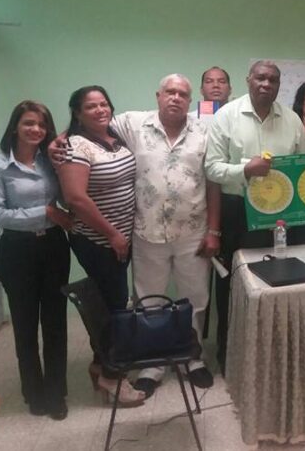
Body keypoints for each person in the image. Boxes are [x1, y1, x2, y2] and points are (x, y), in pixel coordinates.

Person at [102, 75, 220, 398]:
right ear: (158, 95)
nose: (176, 98)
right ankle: (153, 364)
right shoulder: (133, 124)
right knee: (149, 299)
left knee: (194, 298)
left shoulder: (204, 130)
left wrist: (213, 230)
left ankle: (192, 358)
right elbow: (92, 125)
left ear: (189, 98)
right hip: (147, 232)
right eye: (170, 92)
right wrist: (62, 140)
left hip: (192, 232)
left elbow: (213, 183)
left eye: (183, 93)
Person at [205, 60, 305, 372]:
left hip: (280, 213)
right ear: (248, 79)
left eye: (273, 80)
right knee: (233, 283)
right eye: (260, 78)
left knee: (278, 279)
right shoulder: (226, 116)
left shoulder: (292, 120)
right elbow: (211, 168)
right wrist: (243, 170)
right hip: (236, 209)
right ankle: (229, 353)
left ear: (279, 85)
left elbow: (302, 166)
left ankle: (271, 353)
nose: (266, 84)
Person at [0, 101, 73, 419]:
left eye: (42, 125)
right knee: (24, 324)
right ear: (15, 126)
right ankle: (33, 392)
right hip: (17, 251)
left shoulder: (50, 163)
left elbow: (66, 198)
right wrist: (46, 212)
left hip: (54, 248)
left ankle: (56, 392)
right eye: (28, 123)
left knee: (55, 323)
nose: (36, 129)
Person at [57, 86, 145, 406]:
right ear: (78, 113)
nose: (99, 110)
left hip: (119, 238)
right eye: (90, 106)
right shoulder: (75, 146)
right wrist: (112, 235)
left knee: (111, 304)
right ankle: (113, 377)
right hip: (98, 240)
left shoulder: (113, 137)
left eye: (103, 104)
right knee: (115, 310)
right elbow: (75, 198)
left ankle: (100, 366)